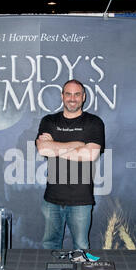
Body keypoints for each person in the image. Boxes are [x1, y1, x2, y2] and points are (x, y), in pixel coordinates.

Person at [36, 79, 105, 250]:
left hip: (81, 199)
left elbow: (90, 154)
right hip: (52, 198)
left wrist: (56, 146)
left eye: (77, 94)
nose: (72, 98)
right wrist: (77, 144)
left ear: (83, 97)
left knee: (81, 246)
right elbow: (44, 150)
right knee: (49, 245)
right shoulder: (49, 121)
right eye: (68, 94)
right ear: (62, 96)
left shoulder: (94, 122)